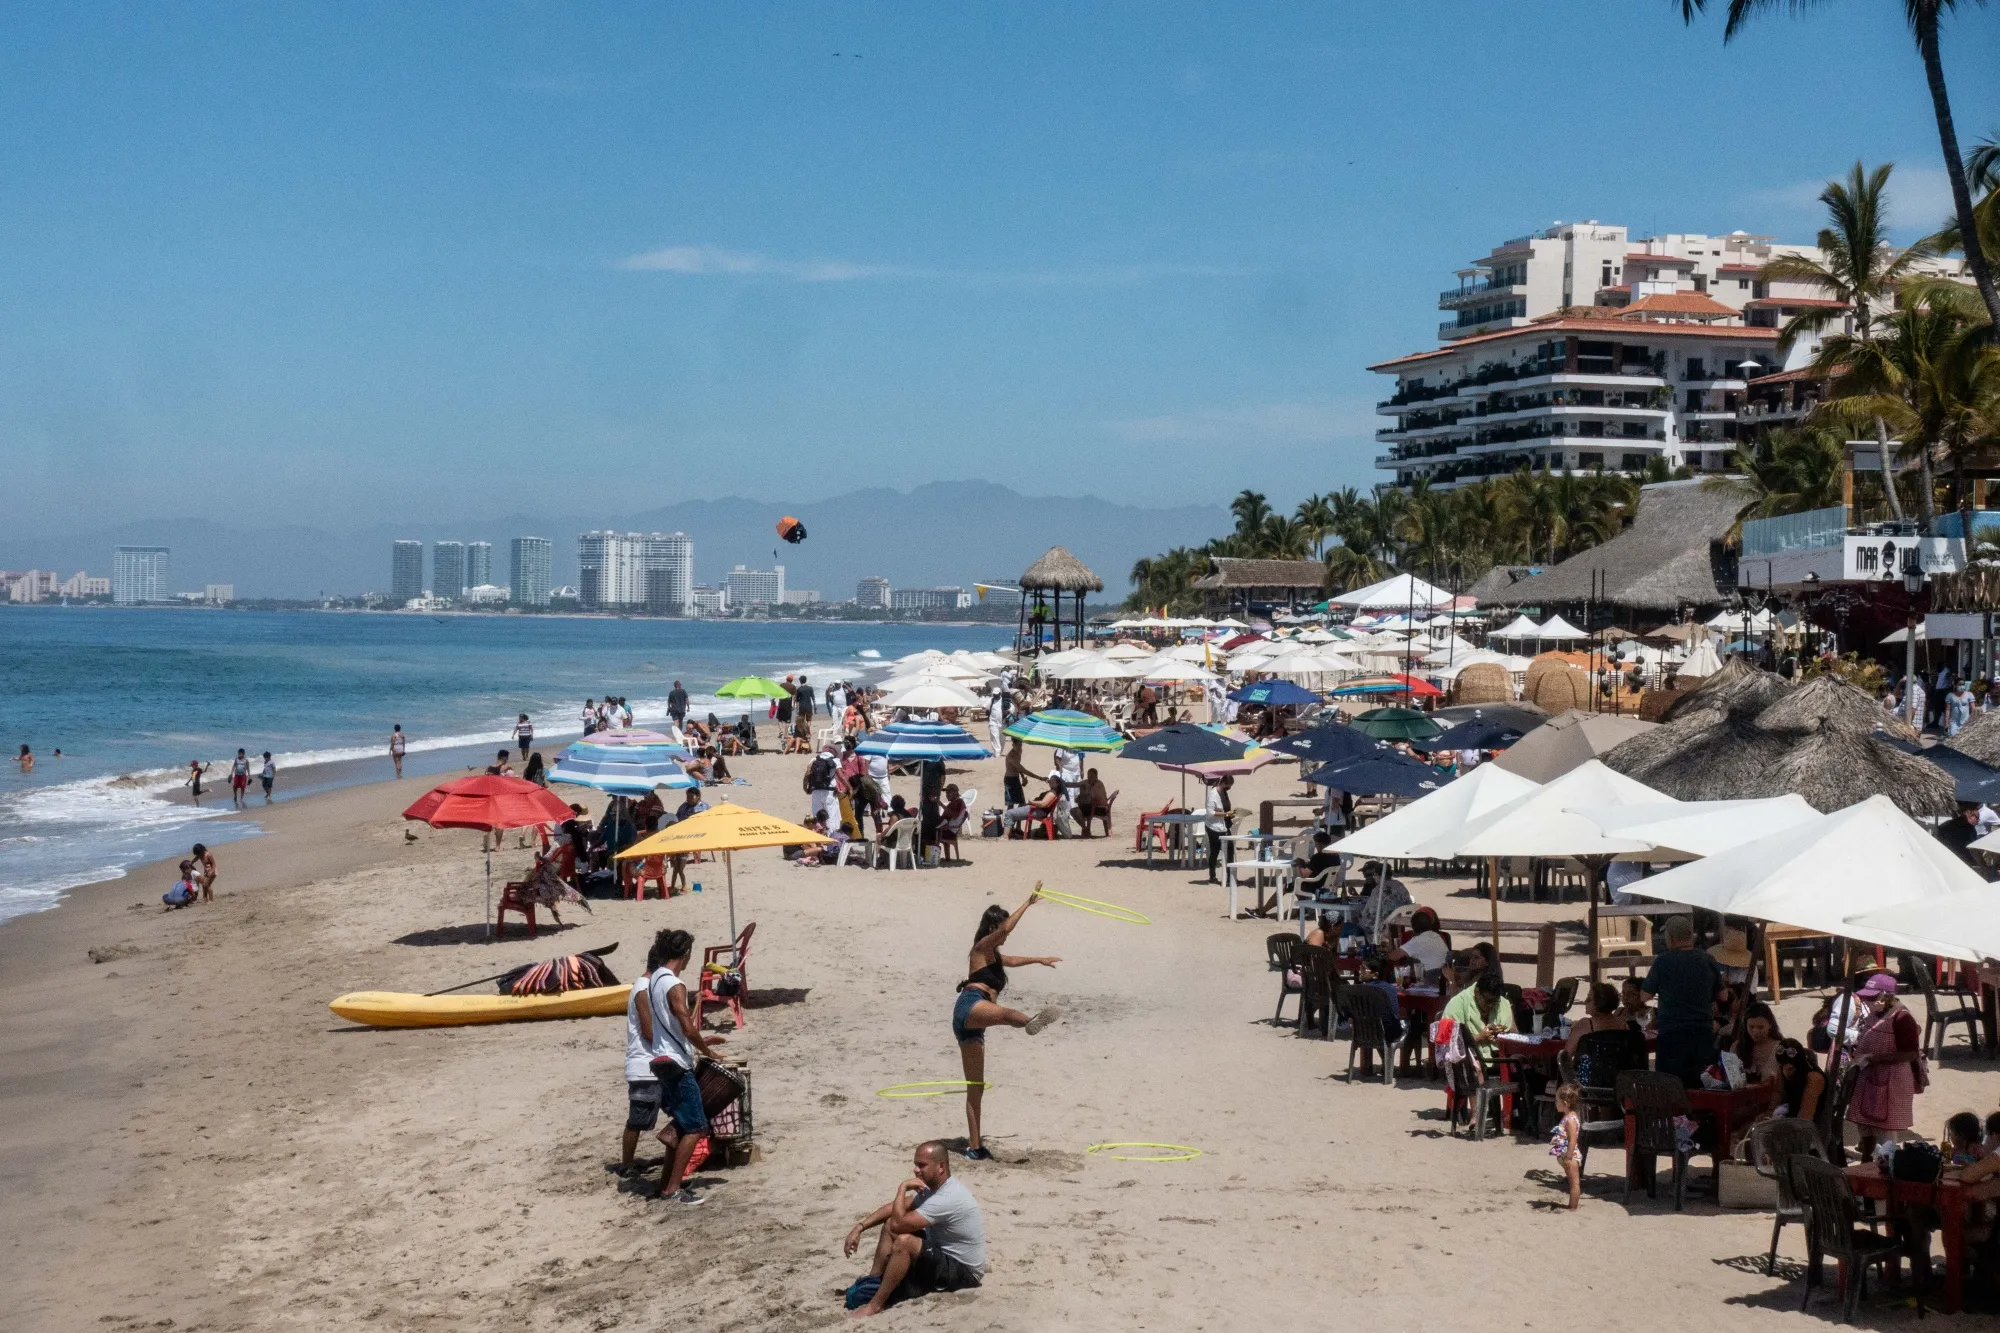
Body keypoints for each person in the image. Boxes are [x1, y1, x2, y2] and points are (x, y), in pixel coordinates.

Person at [952, 891, 1062, 1160]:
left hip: (974, 1026)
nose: (1005, 935)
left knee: (976, 1086)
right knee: (1007, 1014)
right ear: (990, 928)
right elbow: (1005, 930)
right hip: (970, 1004)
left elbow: (1013, 960)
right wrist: (1028, 902)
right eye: (999, 929)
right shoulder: (979, 949)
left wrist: (1040, 959)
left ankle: (975, 1148)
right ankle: (1030, 1022)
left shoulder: (996, 957)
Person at [841, 1141, 985, 1317]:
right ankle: (872, 1282)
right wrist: (860, 1227)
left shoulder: (948, 1196)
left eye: (922, 1165)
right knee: (889, 1228)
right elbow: (895, 1211)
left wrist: (901, 1188)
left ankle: (875, 1305)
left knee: (905, 1241)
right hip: (943, 1257)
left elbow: (898, 1223)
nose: (916, 1170)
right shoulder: (935, 1188)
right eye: (915, 1165)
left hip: (964, 1274)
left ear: (941, 1166)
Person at [637, 928, 727, 1203]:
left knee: (684, 1120)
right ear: (686, 954)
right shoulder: (674, 984)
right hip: (675, 1062)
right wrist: (706, 1050)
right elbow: (686, 1025)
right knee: (697, 1127)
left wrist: (696, 1041)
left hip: (660, 1059)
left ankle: (667, 1176)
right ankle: (673, 1190)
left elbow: (670, 1026)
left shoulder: (652, 982)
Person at [1845, 972, 1924, 1161]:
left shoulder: (1902, 1018)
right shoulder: (1874, 1014)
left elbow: (1910, 1053)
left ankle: (1884, 1167)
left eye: (1873, 998)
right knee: (1865, 1126)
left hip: (1891, 1083)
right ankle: (1866, 1160)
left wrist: (1874, 1058)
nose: (1868, 1001)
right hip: (1869, 1078)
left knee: (1884, 1133)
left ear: (1886, 997)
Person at [1643, 915, 1722, 1087]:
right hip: (1702, 1033)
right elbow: (1723, 996)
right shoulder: (1707, 959)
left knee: (1671, 1087)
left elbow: (1645, 996)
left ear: (1670, 937)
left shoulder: (1662, 961)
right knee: (1701, 1085)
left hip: (1672, 1034)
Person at [1441, 972, 1510, 1058]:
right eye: (1488, 1001)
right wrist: (1479, 1037)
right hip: (1469, 1061)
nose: (1491, 1005)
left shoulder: (1502, 1003)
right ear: (1477, 992)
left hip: (1499, 1058)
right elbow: (1446, 1043)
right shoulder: (1456, 1005)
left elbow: (1515, 1033)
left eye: (1495, 1002)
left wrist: (1504, 1034)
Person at [1768, 1039, 1827, 1126]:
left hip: (1810, 1124)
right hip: (1792, 1112)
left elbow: (1805, 1118)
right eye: (1783, 1065)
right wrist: (1768, 1114)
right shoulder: (1782, 1068)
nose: (1787, 1068)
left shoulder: (1814, 1079)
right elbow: (1778, 1092)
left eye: (1791, 1067)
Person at [1386, 906, 1450, 984]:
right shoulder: (1437, 936)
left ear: (1413, 927)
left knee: (1394, 976)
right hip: (1443, 979)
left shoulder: (1418, 940)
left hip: (1429, 980)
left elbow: (1393, 957)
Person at [1354, 861, 1411, 937]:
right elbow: (1408, 902)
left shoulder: (1378, 890)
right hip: (1401, 924)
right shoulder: (1399, 885)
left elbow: (1370, 912)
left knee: (1355, 924)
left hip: (1385, 926)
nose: (1373, 877)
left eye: (1374, 875)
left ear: (1377, 875)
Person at [1550, 1083, 1583, 1211]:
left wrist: (1569, 1156)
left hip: (1571, 1156)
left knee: (1574, 1183)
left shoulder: (1570, 1120)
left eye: (1557, 1101)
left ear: (1565, 1103)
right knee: (1571, 1181)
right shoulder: (1568, 1117)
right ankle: (1571, 1205)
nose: (1555, 1103)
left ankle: (1573, 1207)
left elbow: (1573, 1140)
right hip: (1566, 1154)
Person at [1202, 775, 1234, 885]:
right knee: (1215, 852)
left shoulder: (1224, 793)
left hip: (1225, 826)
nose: (1228, 788)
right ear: (1223, 783)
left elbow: (1226, 806)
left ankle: (1230, 877)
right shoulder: (1213, 794)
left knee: (1230, 851)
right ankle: (1212, 876)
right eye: (1227, 786)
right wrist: (1225, 814)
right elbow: (1210, 813)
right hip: (1214, 828)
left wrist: (1231, 814)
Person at [1074, 768, 1111, 838]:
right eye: (1088, 776)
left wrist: (1080, 798)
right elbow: (1075, 785)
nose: (1089, 778)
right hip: (1099, 807)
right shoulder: (1096, 783)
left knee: (1075, 811)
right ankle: (1085, 828)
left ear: (1096, 776)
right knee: (1080, 808)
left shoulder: (1097, 785)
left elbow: (1093, 798)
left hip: (1098, 809)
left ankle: (1085, 829)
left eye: (1091, 776)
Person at [805, 748, 838, 827]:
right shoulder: (835, 760)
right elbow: (840, 774)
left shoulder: (814, 759)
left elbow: (807, 773)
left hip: (815, 789)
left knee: (816, 814)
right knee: (831, 815)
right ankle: (831, 835)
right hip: (829, 791)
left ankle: (817, 833)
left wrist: (806, 788)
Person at [938, 785, 969, 862]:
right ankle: (946, 858)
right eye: (946, 792)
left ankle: (930, 857)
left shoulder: (959, 802)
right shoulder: (955, 802)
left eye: (949, 792)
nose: (947, 794)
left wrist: (941, 805)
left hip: (949, 831)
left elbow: (954, 816)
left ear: (955, 793)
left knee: (927, 834)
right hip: (947, 829)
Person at [1002, 739, 1030, 810]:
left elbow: (1018, 766)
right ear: (1013, 745)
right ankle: (1009, 819)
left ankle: (1017, 819)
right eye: (1017, 745)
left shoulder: (1020, 751)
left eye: (1020, 745)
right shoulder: (1010, 756)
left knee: (1022, 802)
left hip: (1016, 778)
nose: (1019, 747)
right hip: (1009, 780)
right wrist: (1040, 778)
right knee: (1011, 804)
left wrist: (1022, 777)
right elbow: (1023, 769)